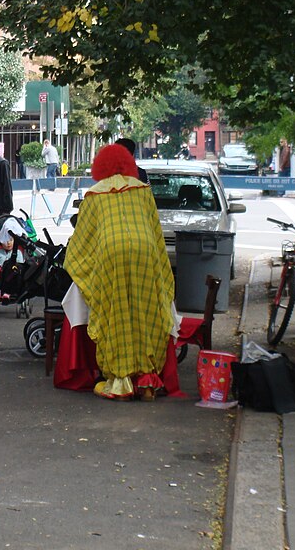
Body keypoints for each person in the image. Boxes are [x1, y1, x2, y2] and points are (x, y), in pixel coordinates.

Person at [63, 144, 176, 401]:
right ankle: (147, 380)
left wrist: (82, 267)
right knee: (146, 311)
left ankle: (120, 381)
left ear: (100, 167)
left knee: (115, 314)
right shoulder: (142, 190)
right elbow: (156, 233)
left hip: (110, 254)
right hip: (145, 253)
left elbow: (82, 242)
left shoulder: (94, 194)